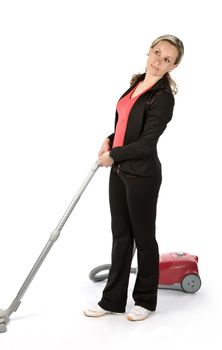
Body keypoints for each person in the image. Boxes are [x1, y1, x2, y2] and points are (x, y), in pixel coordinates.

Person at [84, 34, 184, 321]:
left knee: (143, 237)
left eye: (167, 59)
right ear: (149, 51)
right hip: (119, 170)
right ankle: (112, 301)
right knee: (121, 236)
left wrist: (114, 155)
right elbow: (127, 127)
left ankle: (145, 301)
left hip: (142, 175)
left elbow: (146, 143)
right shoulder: (136, 85)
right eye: (156, 52)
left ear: (173, 66)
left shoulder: (162, 98)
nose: (158, 61)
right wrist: (109, 139)